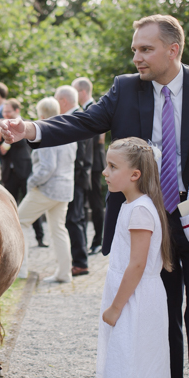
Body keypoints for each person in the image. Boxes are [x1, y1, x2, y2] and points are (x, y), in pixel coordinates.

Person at [2, 14, 189, 378]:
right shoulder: (124, 88)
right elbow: (83, 120)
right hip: (150, 227)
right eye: (135, 49)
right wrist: (32, 130)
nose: (136, 57)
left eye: (145, 49)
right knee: (161, 317)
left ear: (173, 50)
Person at [91, 138, 173, 378]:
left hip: (134, 302)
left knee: (127, 373)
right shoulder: (131, 204)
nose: (105, 172)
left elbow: (138, 265)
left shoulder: (139, 209)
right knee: (130, 371)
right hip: (131, 298)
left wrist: (115, 306)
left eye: (112, 167)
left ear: (135, 174)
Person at [16, 98, 76, 283]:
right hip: (65, 188)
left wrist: (31, 182)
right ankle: (64, 273)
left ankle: (20, 271)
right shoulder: (68, 130)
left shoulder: (45, 132)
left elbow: (47, 167)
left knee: (19, 222)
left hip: (47, 188)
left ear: (41, 115)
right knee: (58, 229)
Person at [55, 85, 93, 276]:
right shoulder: (79, 115)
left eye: (56, 100)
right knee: (77, 219)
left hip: (76, 179)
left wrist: (73, 178)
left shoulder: (75, 118)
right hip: (80, 177)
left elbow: (79, 155)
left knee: (73, 220)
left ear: (63, 101)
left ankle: (80, 262)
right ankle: (80, 259)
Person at [0, 99, 46, 247]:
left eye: (8, 112)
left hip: (24, 170)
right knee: (8, 204)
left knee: (30, 201)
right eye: (4, 112)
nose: (5, 114)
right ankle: (9, 238)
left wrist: (6, 143)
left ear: (16, 111)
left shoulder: (25, 125)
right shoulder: (2, 127)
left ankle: (40, 237)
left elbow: (21, 143)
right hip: (9, 172)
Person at [73, 77, 106, 254]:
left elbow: (100, 139)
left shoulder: (95, 108)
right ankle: (85, 241)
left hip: (94, 164)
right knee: (84, 203)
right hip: (86, 163)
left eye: (75, 90)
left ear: (83, 92)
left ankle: (98, 240)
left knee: (95, 202)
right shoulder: (81, 110)